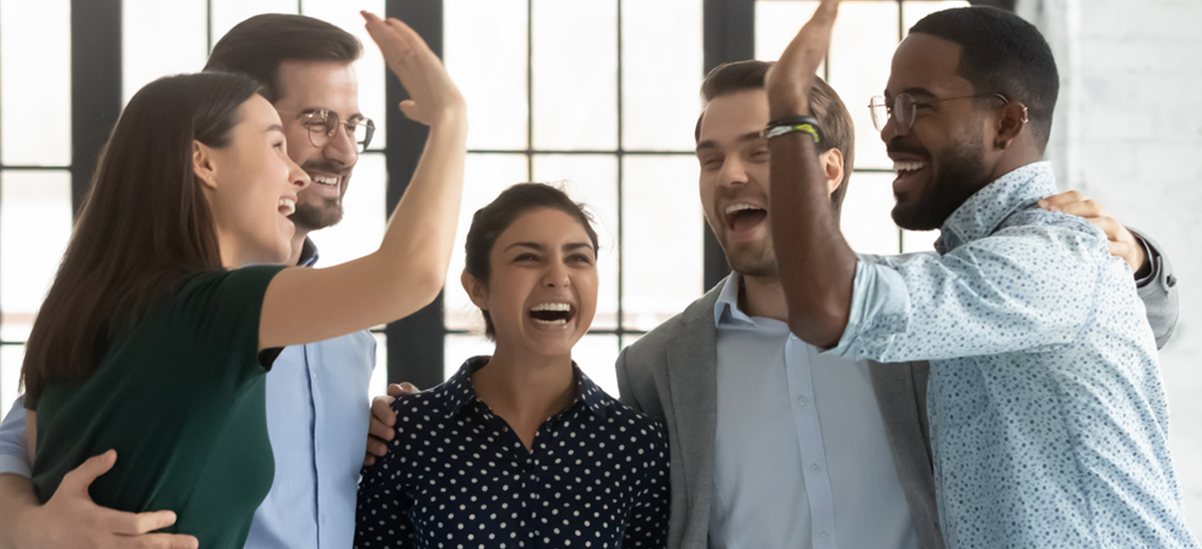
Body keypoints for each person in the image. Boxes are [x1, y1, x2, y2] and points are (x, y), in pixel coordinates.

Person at [366, 61, 1180, 549]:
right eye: (710, 156)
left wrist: (1135, 257)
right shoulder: (656, 366)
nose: (729, 176)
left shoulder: (930, 311)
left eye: (760, 151)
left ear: (822, 170)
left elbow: (1125, 330)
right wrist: (417, 412)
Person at [0, 12, 465, 549]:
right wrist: (35, 529)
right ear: (209, 148)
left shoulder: (348, 333)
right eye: (316, 122)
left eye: (353, 126)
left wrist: (359, 436)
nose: (342, 152)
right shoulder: (201, 310)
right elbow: (10, 455)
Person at [764, 2, 1196, 547]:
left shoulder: (1050, 255)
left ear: (1008, 122)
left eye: (916, 106)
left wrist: (789, 118)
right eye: (890, 107)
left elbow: (831, 305)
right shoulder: (981, 265)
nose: (890, 132)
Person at [354, 183, 669, 549]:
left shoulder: (638, 446)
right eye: (529, 258)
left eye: (578, 258)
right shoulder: (406, 432)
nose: (558, 276)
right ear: (477, 288)